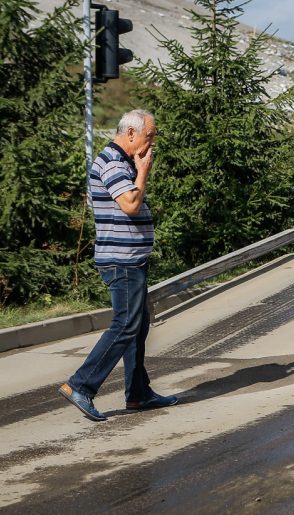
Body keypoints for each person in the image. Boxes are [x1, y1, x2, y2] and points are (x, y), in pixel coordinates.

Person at [58, 109, 177, 421]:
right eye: (150, 136)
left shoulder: (121, 161)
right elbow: (130, 204)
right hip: (121, 262)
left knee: (138, 327)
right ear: (132, 134)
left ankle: (138, 394)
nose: (153, 144)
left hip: (131, 259)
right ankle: (80, 385)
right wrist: (144, 171)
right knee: (125, 325)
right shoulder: (112, 161)